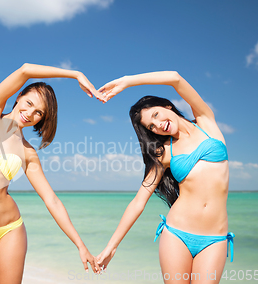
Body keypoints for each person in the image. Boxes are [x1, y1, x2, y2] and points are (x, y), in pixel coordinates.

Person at [0, 63, 100, 284]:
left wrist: (80, 245)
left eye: (38, 112)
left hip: (8, 230)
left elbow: (51, 200)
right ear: (19, 96)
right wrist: (75, 74)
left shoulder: (27, 152)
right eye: (29, 103)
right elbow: (25, 70)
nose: (30, 113)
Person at [95, 71, 234, 283]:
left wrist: (127, 81)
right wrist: (111, 247)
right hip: (176, 234)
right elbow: (138, 202)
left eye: (156, 115)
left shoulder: (206, 123)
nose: (158, 125)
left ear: (167, 106)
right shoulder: (163, 153)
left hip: (215, 238)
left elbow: (175, 78)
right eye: (151, 126)